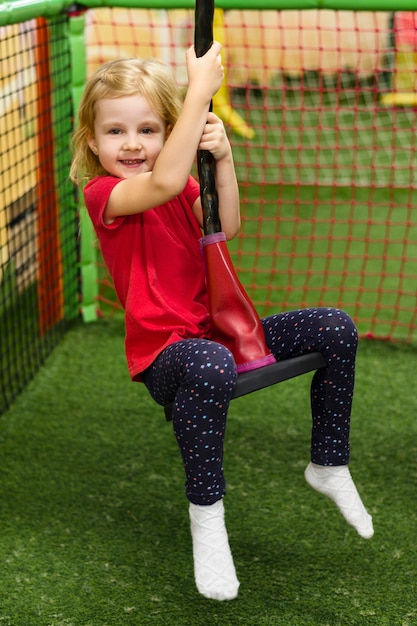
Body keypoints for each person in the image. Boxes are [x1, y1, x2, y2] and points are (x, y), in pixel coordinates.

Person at [70, 42, 373, 602]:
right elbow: (159, 184)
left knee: (336, 327)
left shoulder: (181, 184)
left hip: (222, 335)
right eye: (116, 132)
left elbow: (225, 225)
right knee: (207, 364)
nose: (132, 144)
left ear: (167, 133)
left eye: (147, 129)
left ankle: (328, 464)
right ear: (93, 140)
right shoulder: (106, 194)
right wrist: (199, 93)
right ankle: (207, 517)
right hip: (168, 355)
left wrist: (225, 159)